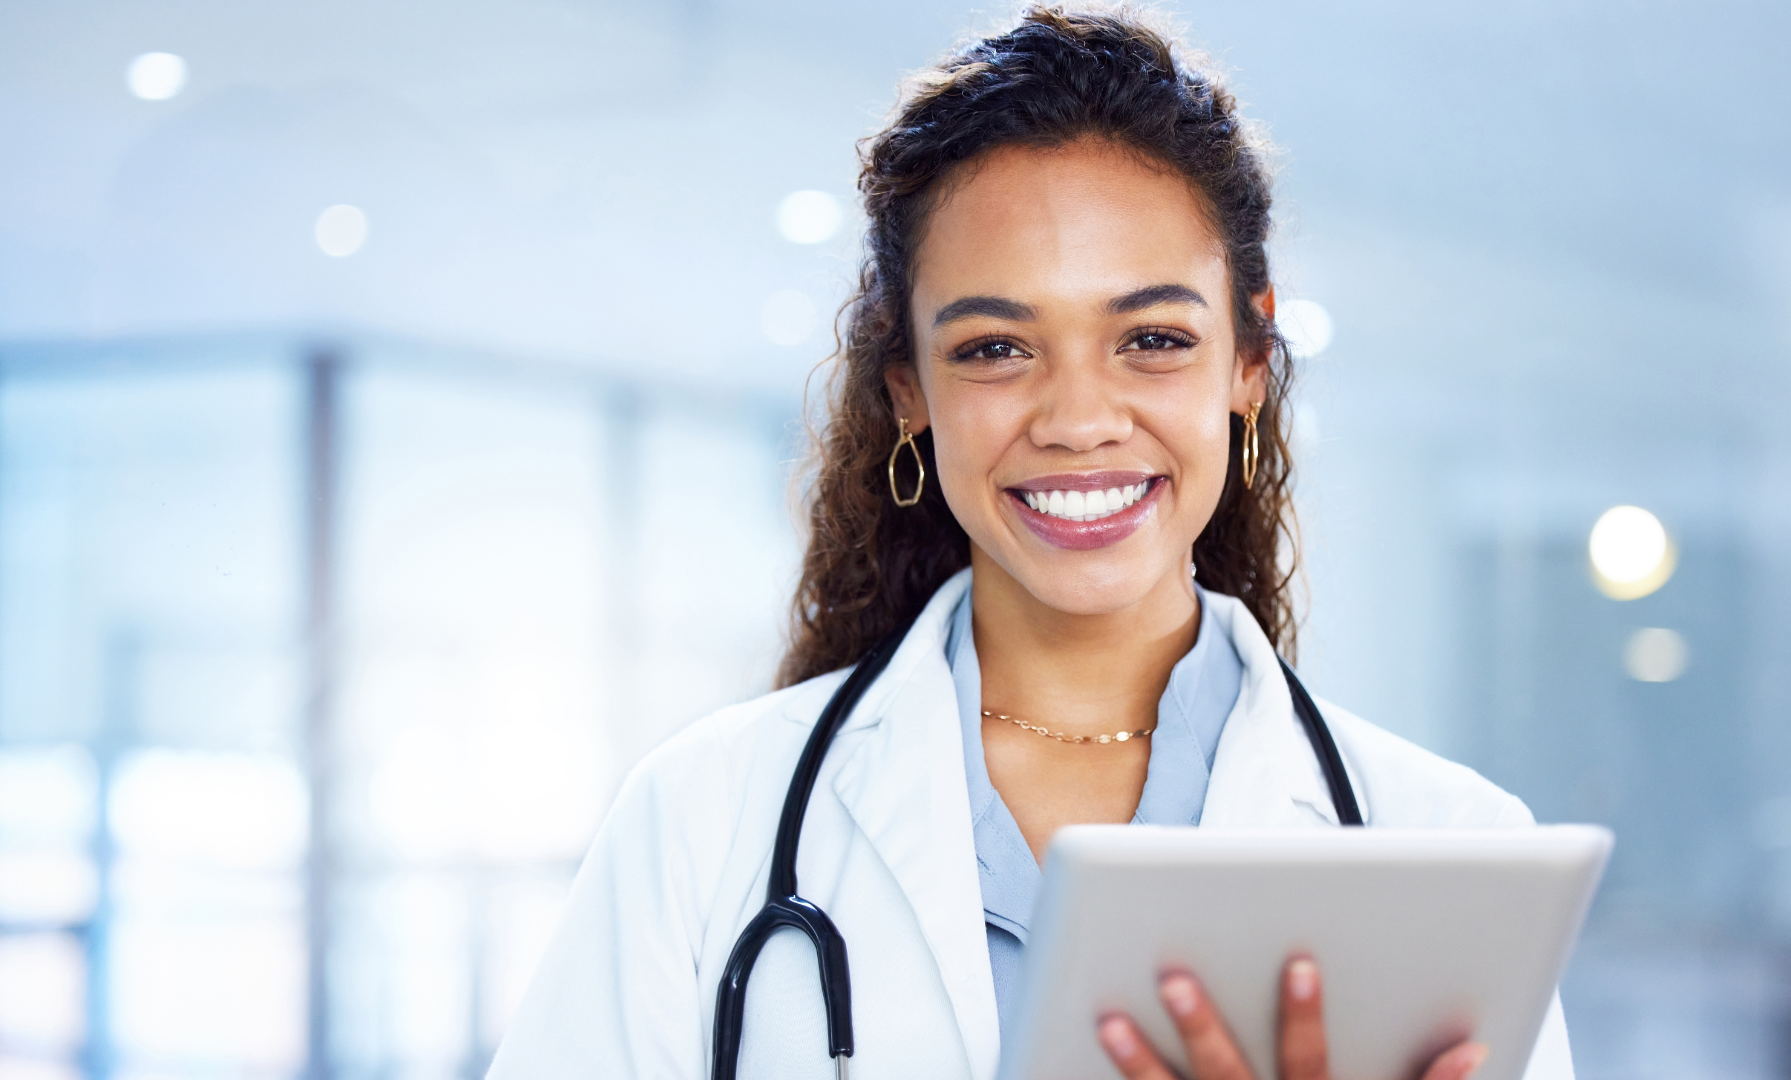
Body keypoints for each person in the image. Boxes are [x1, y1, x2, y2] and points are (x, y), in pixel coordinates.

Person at [487, 6, 1574, 1080]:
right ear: (908, 389)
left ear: (1248, 361)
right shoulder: (702, 820)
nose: (1078, 420)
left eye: (1153, 338)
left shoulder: (1450, 849)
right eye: (995, 348)